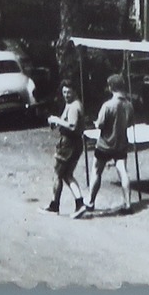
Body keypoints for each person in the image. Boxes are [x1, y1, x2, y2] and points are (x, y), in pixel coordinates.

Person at [80, 75, 134, 216]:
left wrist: (96, 123)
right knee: (123, 171)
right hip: (121, 142)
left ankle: (90, 202)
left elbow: (101, 124)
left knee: (96, 171)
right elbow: (129, 123)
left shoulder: (108, 105)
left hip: (105, 144)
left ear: (111, 87)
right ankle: (128, 204)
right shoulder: (129, 105)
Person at [43, 80, 86, 215]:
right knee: (67, 175)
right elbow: (64, 122)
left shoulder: (74, 106)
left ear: (74, 91)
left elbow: (72, 125)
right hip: (74, 143)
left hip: (68, 144)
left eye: (69, 92)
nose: (66, 95)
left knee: (57, 174)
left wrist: (57, 120)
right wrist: (55, 122)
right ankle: (80, 203)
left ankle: (54, 206)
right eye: (64, 92)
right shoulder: (71, 104)